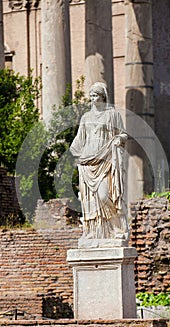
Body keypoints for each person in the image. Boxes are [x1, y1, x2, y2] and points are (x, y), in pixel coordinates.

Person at [70, 82, 129, 243]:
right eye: (91, 95)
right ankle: (91, 232)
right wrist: (74, 152)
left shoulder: (112, 115)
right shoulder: (86, 117)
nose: (92, 98)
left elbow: (123, 135)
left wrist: (118, 139)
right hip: (87, 162)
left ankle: (116, 228)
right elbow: (79, 139)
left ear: (103, 97)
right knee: (88, 200)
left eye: (95, 95)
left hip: (106, 158)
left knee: (104, 195)